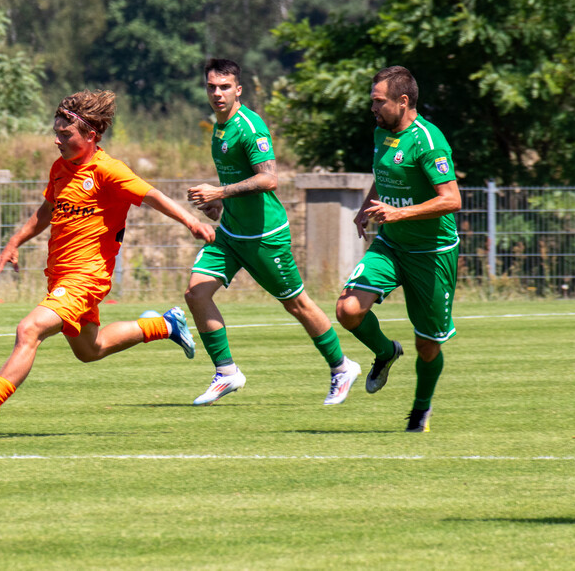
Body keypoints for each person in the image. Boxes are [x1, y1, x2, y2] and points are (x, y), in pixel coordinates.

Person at [0, 90, 217, 433]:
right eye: (57, 133)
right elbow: (47, 211)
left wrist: (191, 221)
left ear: (91, 135)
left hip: (86, 277)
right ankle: (165, 325)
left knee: (29, 329)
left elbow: (151, 195)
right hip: (60, 277)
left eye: (66, 135)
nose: (57, 141)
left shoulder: (108, 170)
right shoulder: (60, 169)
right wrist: (15, 242)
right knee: (91, 349)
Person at [184, 58, 360, 406]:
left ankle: (342, 367)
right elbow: (238, 180)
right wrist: (220, 206)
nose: (217, 93)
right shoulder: (219, 127)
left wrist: (219, 193)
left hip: (265, 237)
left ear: (238, 89)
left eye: (224, 87)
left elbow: (270, 178)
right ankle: (227, 372)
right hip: (232, 233)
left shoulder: (250, 127)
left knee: (295, 303)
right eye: (211, 87)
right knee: (195, 294)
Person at [335, 65, 461, 433]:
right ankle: (386, 352)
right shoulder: (382, 133)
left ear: (403, 101)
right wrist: (366, 208)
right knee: (347, 310)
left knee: (428, 345)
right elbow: (386, 175)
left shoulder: (429, 141)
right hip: (391, 244)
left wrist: (399, 212)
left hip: (432, 254)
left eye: (378, 101)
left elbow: (451, 199)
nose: (372, 108)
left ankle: (421, 408)